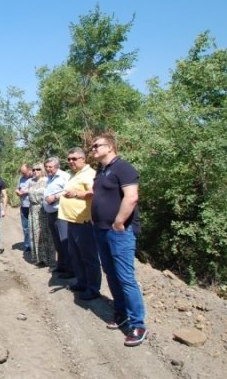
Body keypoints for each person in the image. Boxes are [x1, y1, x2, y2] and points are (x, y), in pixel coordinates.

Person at [90, 134, 148, 347]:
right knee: (111, 274)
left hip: (119, 232)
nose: (93, 149)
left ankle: (138, 324)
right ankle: (121, 312)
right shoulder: (101, 171)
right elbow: (99, 195)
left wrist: (119, 222)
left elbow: (131, 197)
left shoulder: (124, 168)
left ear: (111, 147)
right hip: (100, 230)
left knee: (125, 277)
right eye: (92, 146)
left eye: (97, 145)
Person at [57, 147, 101, 300]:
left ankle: (93, 288)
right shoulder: (75, 174)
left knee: (89, 257)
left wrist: (76, 194)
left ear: (83, 159)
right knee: (76, 255)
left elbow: (93, 192)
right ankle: (82, 282)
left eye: (74, 159)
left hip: (84, 222)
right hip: (72, 221)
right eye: (69, 159)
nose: (71, 162)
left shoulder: (89, 174)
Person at [43, 157, 72, 277]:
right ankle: (61, 266)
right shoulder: (50, 179)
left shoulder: (65, 176)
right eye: (47, 167)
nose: (48, 169)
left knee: (64, 241)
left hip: (61, 213)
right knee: (57, 241)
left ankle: (71, 270)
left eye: (50, 167)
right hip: (51, 213)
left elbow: (69, 191)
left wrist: (55, 197)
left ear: (57, 166)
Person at [27, 162, 52, 266]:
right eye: (33, 170)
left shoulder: (47, 181)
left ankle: (49, 259)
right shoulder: (31, 182)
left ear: (42, 170)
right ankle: (39, 258)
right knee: (34, 234)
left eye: (38, 169)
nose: (35, 171)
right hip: (32, 209)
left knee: (45, 234)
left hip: (43, 209)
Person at [15, 164, 33, 252]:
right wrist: (18, 191)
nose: (23, 175)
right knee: (25, 227)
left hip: (32, 206)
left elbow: (40, 189)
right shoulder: (21, 178)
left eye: (25, 173)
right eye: (22, 173)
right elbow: (17, 188)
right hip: (23, 206)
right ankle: (27, 246)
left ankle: (35, 247)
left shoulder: (35, 177)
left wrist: (26, 191)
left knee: (34, 227)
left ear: (30, 170)